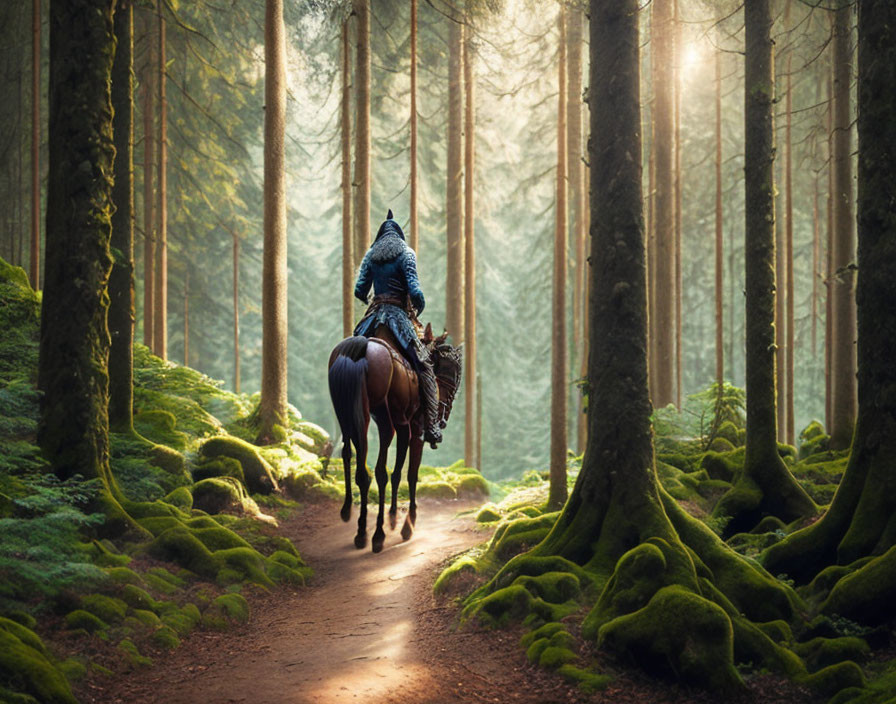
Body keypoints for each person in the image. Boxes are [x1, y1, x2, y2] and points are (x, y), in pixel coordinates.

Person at [353, 210, 443, 448]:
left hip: (372, 319)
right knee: (424, 365)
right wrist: (418, 307)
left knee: (350, 354)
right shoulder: (406, 253)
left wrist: (370, 300)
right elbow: (416, 291)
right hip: (397, 318)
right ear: (399, 235)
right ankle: (432, 426)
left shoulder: (371, 254)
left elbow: (359, 290)